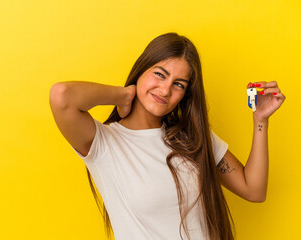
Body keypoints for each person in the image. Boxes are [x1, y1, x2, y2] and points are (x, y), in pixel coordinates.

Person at [49, 32, 285, 240]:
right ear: (141, 69)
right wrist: (123, 96)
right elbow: (62, 96)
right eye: (160, 74)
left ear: (185, 94)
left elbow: (254, 190)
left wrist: (260, 120)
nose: (165, 90)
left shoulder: (194, 137)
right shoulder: (104, 143)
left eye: (179, 84)